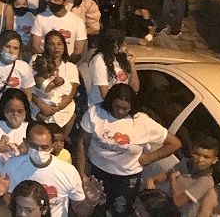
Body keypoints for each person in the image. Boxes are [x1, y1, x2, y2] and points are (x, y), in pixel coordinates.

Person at [77, 84, 181, 217]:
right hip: (97, 172)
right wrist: (82, 173)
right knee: (95, 210)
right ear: (110, 102)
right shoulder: (95, 113)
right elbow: (82, 143)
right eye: (117, 106)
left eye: (125, 108)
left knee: (121, 212)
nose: (120, 111)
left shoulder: (142, 121)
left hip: (126, 179)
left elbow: (174, 143)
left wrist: (148, 158)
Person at [145, 135, 219, 217]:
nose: (200, 160)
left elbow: (178, 202)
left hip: (168, 212)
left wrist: (173, 180)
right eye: (197, 154)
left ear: (214, 160)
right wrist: (151, 182)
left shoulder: (205, 181)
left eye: (206, 157)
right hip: (154, 202)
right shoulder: (187, 163)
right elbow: (164, 175)